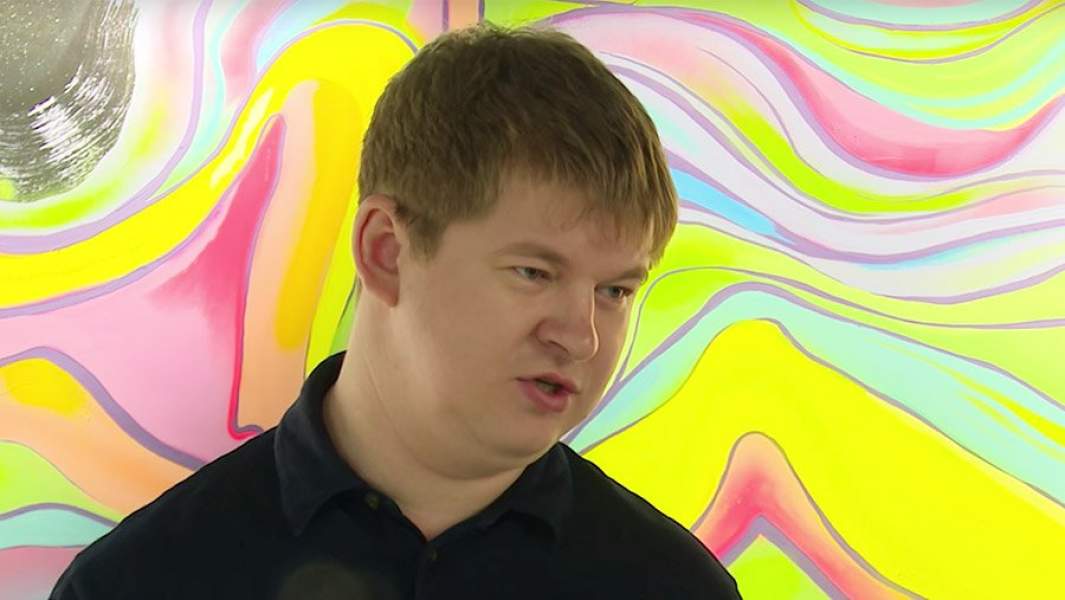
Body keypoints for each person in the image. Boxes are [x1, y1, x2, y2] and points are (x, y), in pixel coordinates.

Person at [51, 21, 741, 599]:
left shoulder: (678, 589)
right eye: (534, 272)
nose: (581, 337)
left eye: (614, 290)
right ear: (385, 252)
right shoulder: (135, 584)